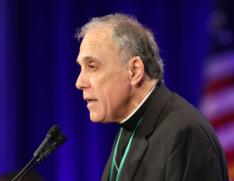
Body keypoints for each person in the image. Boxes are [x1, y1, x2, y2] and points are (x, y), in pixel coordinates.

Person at [75, 13, 229, 181]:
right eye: (81, 68)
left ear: (134, 71)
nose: (79, 82)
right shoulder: (129, 127)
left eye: (92, 66)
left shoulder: (185, 133)